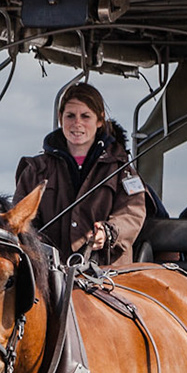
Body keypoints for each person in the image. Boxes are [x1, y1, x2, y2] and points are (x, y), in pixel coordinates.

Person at [13, 81, 149, 265]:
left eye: (85, 116)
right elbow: (21, 218)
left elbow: (132, 213)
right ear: (60, 118)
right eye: (70, 116)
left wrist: (108, 233)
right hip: (51, 274)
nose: (77, 123)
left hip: (107, 277)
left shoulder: (122, 171)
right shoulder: (35, 170)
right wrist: (32, 239)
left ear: (99, 120)